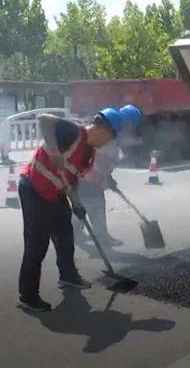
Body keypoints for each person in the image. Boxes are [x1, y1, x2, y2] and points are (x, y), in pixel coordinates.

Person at [17, 107, 123, 312]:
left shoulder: (89, 154)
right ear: (102, 129)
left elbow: (72, 179)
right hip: (34, 188)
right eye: (110, 137)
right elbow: (44, 120)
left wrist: (77, 203)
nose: (108, 143)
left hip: (56, 192)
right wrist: (54, 150)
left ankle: (68, 276)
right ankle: (27, 296)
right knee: (37, 244)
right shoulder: (73, 132)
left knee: (65, 236)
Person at [77, 104, 143, 246]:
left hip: (84, 174)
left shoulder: (111, 122)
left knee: (82, 203)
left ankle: (75, 233)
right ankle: (102, 238)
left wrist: (109, 178)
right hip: (88, 175)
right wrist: (104, 179)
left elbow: (103, 161)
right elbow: (99, 159)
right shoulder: (111, 132)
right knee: (96, 204)